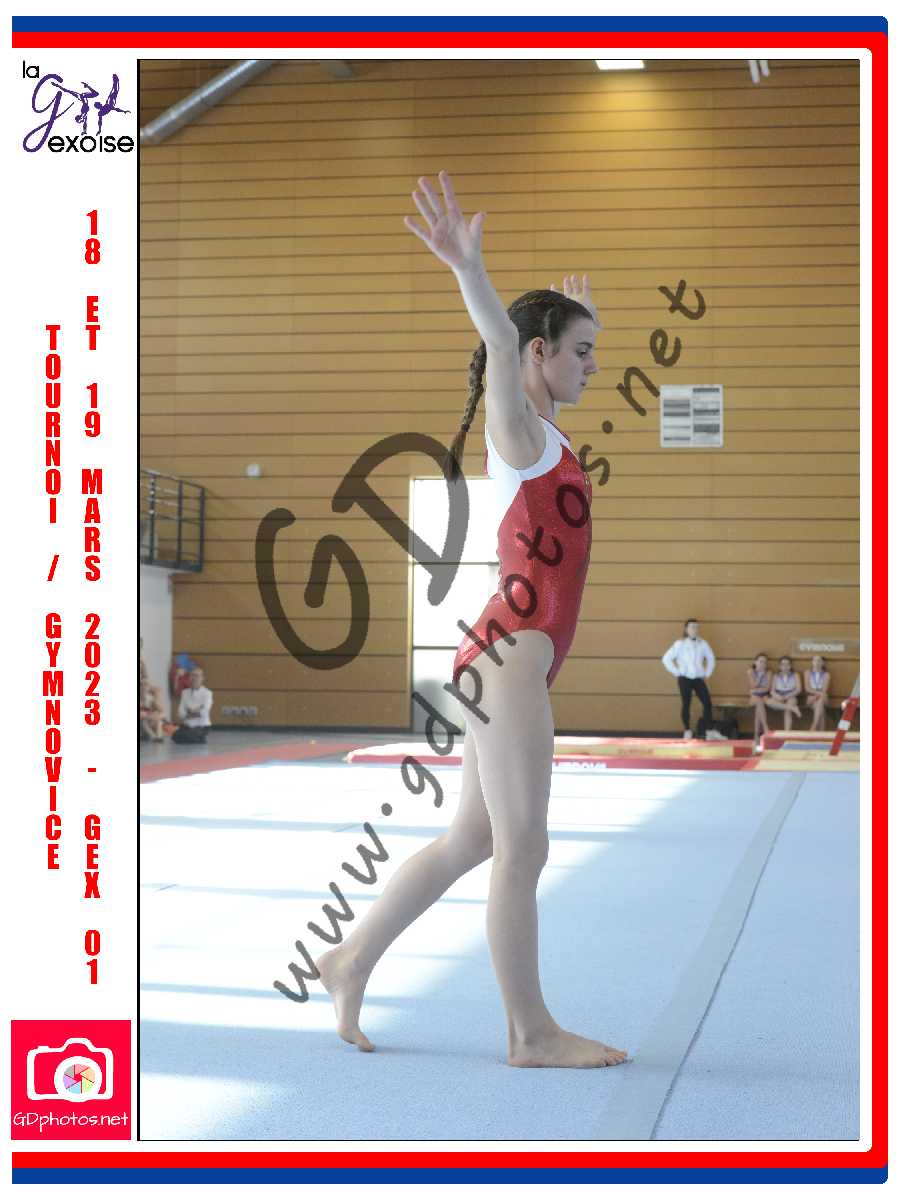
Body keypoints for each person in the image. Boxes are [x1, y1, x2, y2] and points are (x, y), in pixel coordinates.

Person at [315, 170, 628, 1069]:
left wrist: (571, 315)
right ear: (537, 352)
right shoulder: (518, 433)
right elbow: (498, 339)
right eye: (580, 352)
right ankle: (530, 1033)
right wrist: (469, 269)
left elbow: (521, 345)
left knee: (475, 838)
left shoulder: (547, 437)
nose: (593, 367)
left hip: (507, 652)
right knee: (522, 845)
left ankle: (349, 957)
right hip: (510, 655)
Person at [661, 619, 716, 739]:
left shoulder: (703, 643)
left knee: (707, 703)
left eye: (696, 627)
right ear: (686, 629)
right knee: (686, 704)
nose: (695, 629)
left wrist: (707, 673)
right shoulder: (679, 644)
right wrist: (677, 672)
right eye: (692, 627)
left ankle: (709, 731)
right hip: (684, 679)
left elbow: (711, 658)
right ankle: (687, 730)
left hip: (698, 679)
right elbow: (666, 659)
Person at [172, 667, 213, 744]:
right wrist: (196, 711)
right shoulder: (185, 692)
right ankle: (198, 738)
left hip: (202, 726)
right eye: (192, 675)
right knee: (175, 736)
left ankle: (199, 737)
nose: (194, 678)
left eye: (197, 676)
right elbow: (180, 712)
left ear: (202, 678)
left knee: (187, 736)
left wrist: (189, 713)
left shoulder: (207, 693)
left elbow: (204, 712)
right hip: (187, 726)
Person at [766, 656, 803, 730]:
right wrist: (778, 696)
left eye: (787, 664)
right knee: (769, 701)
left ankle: (787, 732)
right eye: (783, 664)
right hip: (779, 695)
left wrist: (787, 696)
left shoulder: (795, 675)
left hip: (791, 695)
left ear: (790, 666)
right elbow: (772, 691)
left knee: (788, 709)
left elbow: (798, 689)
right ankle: (793, 708)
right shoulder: (776, 676)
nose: (785, 666)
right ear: (780, 666)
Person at [746, 653, 772, 748]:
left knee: (759, 707)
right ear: (755, 662)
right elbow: (753, 685)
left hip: (764, 696)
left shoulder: (769, 672)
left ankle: (756, 736)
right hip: (754, 697)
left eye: (765, 662)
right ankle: (765, 728)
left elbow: (767, 688)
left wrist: (755, 691)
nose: (762, 664)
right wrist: (760, 676)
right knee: (759, 701)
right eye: (760, 661)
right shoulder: (750, 671)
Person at [140, 656, 167, 742]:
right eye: (142, 685)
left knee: (158, 721)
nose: (144, 687)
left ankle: (158, 737)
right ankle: (154, 737)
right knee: (144, 721)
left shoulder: (151, 696)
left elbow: (162, 713)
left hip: (148, 718)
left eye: (145, 685)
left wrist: (155, 716)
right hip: (142, 720)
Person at [803, 654, 831, 732]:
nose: (817, 662)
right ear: (812, 662)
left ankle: (814, 726)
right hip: (811, 697)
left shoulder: (826, 674)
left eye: (819, 660)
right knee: (821, 709)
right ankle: (821, 733)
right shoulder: (807, 672)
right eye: (815, 660)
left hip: (823, 697)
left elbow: (824, 690)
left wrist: (817, 696)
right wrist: (816, 695)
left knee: (820, 701)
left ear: (823, 663)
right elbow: (807, 688)